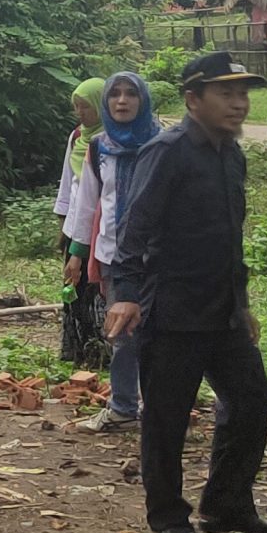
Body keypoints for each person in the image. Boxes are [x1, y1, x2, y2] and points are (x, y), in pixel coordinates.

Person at [104, 53, 267, 533]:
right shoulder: (166, 152)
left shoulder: (231, 154)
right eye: (226, 93)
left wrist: (243, 302)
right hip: (172, 309)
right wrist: (124, 295)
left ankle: (227, 505)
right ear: (193, 100)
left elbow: (230, 238)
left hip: (223, 310)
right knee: (167, 416)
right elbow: (134, 229)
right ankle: (168, 517)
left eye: (243, 94)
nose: (239, 103)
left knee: (251, 401)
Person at [70, 71, 160, 430]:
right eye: (115, 95)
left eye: (131, 94)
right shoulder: (98, 148)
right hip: (113, 256)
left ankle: (163, 410)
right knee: (122, 335)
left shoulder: (163, 145)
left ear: (143, 100)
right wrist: (77, 253)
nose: (122, 101)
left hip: (159, 257)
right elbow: (88, 203)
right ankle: (123, 408)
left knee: (160, 336)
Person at [55, 77, 107, 368]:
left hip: (102, 228)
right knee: (73, 287)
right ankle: (79, 350)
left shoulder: (111, 140)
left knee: (97, 288)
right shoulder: (77, 137)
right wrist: (64, 225)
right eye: (76, 107)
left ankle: (103, 350)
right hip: (76, 225)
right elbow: (68, 185)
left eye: (85, 106)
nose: (80, 113)